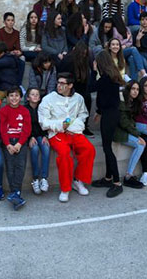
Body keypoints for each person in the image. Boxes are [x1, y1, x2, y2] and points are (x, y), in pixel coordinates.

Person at [38, 73, 95, 203]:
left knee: (89, 149)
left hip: (74, 131)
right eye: (58, 83)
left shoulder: (78, 98)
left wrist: (72, 127)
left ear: (70, 85)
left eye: (63, 83)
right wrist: (60, 126)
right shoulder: (48, 99)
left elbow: (83, 115)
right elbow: (43, 121)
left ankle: (78, 180)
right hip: (56, 133)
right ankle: (65, 188)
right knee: (64, 155)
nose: (59, 85)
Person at [91, 52, 127, 198]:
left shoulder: (106, 78)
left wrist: (94, 72)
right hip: (109, 114)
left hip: (110, 115)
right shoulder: (111, 77)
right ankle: (108, 178)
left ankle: (117, 182)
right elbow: (102, 97)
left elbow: (91, 87)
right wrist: (99, 111)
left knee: (107, 148)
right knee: (107, 147)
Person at [111, 81, 147, 190]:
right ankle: (128, 176)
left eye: (137, 89)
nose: (135, 91)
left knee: (146, 136)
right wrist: (138, 135)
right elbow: (124, 123)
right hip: (118, 132)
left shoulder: (131, 101)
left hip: (126, 130)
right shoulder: (122, 101)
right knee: (140, 144)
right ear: (128, 89)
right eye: (133, 89)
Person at [0, 86, 31, 210]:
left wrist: (19, 144)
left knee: (20, 166)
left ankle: (16, 192)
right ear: (7, 97)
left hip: (20, 142)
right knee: (10, 167)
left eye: (16, 95)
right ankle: (15, 192)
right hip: (8, 142)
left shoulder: (25, 111)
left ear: (21, 97)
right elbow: (2, 129)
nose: (14, 98)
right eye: (11, 95)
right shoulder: (3, 110)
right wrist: (8, 144)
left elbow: (27, 129)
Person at [25, 87, 50, 194]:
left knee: (46, 148)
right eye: (32, 94)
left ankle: (44, 178)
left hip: (41, 135)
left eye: (37, 94)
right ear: (28, 98)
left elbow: (45, 123)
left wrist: (45, 135)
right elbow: (25, 126)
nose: (35, 96)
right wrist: (30, 137)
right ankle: (35, 179)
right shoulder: (25, 109)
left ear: (40, 98)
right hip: (29, 136)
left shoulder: (42, 108)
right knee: (34, 149)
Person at [0, 12, 25, 84]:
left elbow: (18, 46)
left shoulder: (16, 33)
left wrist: (18, 52)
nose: (11, 22)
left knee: (22, 58)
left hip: (14, 55)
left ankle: (19, 83)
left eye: (12, 20)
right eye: (8, 20)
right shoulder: (0, 32)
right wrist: (9, 52)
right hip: (4, 54)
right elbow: (0, 48)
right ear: (4, 22)